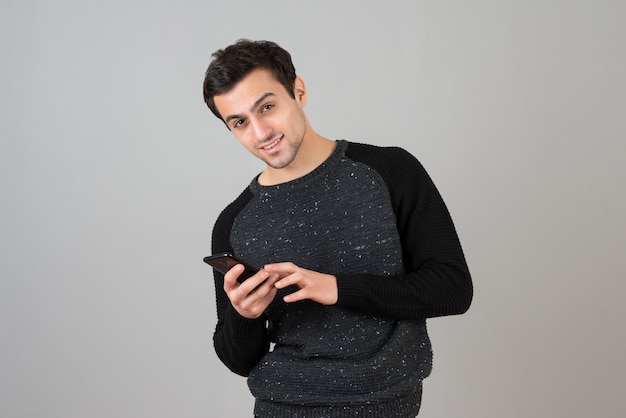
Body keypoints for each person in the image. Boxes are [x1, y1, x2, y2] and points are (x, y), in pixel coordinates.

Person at [202, 39, 473, 418]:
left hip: (387, 403)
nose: (261, 132)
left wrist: (337, 288)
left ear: (298, 91)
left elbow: (452, 289)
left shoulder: (390, 171)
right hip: (282, 407)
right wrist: (244, 316)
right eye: (240, 122)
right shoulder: (234, 221)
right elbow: (238, 359)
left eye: (267, 107)